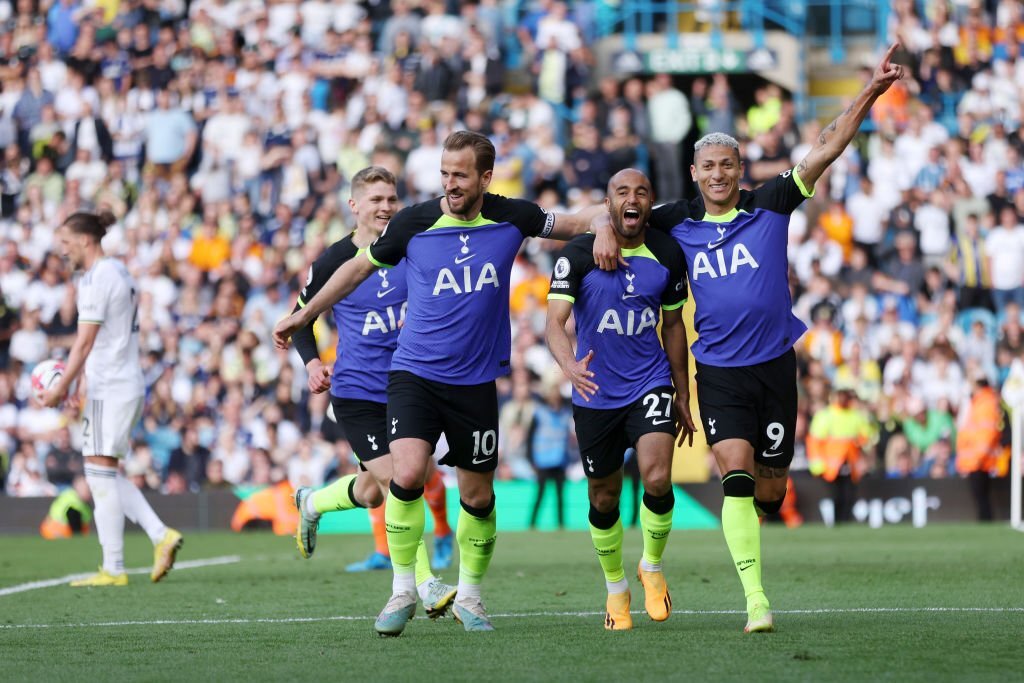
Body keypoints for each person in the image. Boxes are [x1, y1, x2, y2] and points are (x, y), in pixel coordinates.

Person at [592, 43, 905, 632]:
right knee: (733, 476)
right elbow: (617, 206)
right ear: (694, 174)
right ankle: (755, 602)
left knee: (770, 491)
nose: (717, 175)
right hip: (720, 373)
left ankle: (761, 517)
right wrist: (606, 224)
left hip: (775, 367)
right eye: (707, 166)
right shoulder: (672, 220)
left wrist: (868, 91)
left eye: (726, 166)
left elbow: (828, 146)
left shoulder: (771, 204)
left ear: (740, 171)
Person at [274, 131, 606, 635]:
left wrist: (604, 225)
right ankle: (404, 590)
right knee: (404, 476)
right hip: (411, 375)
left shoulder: (513, 216)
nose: (450, 183)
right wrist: (303, 318)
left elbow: (583, 220)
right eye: (444, 173)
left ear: (485, 178)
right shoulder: (414, 222)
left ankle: (470, 598)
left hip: (474, 382)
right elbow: (356, 269)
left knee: (477, 496)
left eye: (460, 175)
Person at [287, 166, 456, 615]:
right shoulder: (331, 260)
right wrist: (312, 363)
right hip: (357, 391)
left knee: (372, 491)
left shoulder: (411, 250)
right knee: (399, 482)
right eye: (376, 200)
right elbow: (301, 319)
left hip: (408, 385)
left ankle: (313, 501)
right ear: (354, 205)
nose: (385, 207)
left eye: (391, 199)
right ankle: (426, 584)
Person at [546, 168, 694, 630]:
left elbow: (673, 326)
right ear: (607, 203)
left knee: (656, 476)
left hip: (649, 382)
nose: (633, 199)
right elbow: (554, 323)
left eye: (642, 192)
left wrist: (683, 392)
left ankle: (651, 566)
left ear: (651, 202)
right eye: (622, 192)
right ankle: (616, 589)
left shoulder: (667, 253)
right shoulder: (577, 255)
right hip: (595, 391)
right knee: (604, 496)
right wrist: (568, 365)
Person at [42, 210, 183, 586]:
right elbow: (104, 342)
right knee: (103, 472)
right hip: (119, 382)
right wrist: (78, 385)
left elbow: (85, 341)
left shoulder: (97, 278)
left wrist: (61, 387)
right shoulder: (118, 272)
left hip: (113, 385)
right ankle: (157, 536)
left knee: (99, 475)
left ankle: (115, 567)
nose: (64, 252)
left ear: (85, 241)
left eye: (67, 245)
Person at [526, 379, 572, 529]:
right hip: (543, 459)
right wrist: (531, 459)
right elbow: (530, 437)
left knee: (560, 495)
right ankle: (532, 524)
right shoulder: (540, 413)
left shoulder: (565, 413)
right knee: (540, 493)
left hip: (560, 459)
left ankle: (561, 524)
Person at [40, 474, 92, 539]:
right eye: (86, 489)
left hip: (54, 533)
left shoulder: (70, 495)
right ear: (77, 487)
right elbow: (76, 531)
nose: (90, 492)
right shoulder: (74, 503)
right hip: (57, 535)